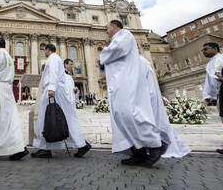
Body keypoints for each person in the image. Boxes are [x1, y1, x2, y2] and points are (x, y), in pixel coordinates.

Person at [99, 20, 168, 167]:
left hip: (126, 82)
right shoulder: (115, 39)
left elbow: (116, 50)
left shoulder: (125, 34)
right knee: (120, 116)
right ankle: (138, 153)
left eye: (107, 28)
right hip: (117, 83)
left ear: (113, 26)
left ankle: (156, 144)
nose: (106, 31)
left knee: (130, 114)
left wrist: (103, 55)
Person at [32, 44, 91, 158]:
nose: (44, 52)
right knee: (63, 117)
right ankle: (46, 148)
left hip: (54, 91)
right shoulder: (57, 58)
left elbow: (53, 73)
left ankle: (46, 149)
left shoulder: (53, 58)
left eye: (44, 50)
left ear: (47, 50)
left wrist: (51, 88)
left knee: (48, 117)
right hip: (57, 90)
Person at [140, 56, 191, 158]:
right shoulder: (139, 61)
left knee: (150, 122)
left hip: (144, 98)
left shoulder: (140, 62)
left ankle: (158, 145)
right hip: (142, 98)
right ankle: (146, 149)